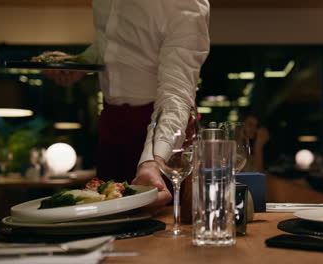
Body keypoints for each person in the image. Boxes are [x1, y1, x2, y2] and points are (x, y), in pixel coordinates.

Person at [42, 0, 210, 214]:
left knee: (161, 228)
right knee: (105, 217)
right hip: (112, 124)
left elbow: (176, 94)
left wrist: (153, 161)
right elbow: (119, 45)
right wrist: (80, 63)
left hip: (165, 129)